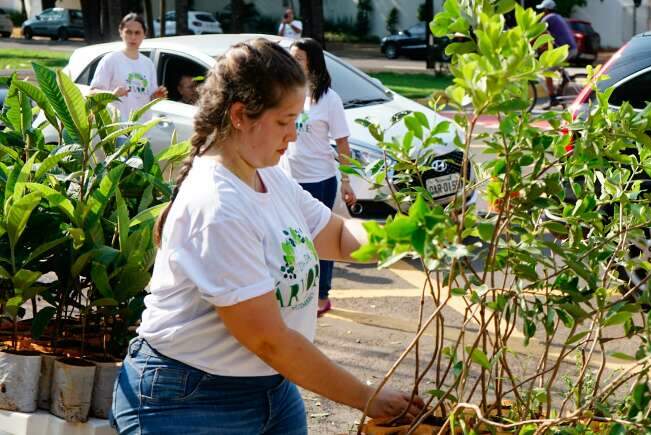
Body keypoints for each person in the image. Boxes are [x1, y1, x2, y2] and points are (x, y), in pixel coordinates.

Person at [110, 38, 423, 434]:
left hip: (272, 387)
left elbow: (340, 236)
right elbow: (270, 339)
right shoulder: (218, 205)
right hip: (188, 399)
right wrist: (367, 397)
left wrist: (423, 236)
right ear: (240, 115)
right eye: (284, 121)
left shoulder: (268, 175)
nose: (293, 136)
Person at [281, 38, 356, 316]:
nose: (293, 63)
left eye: (298, 58)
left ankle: (323, 294)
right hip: (290, 178)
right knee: (295, 240)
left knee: (321, 238)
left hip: (320, 179)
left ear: (312, 61)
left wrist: (347, 181)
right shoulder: (289, 94)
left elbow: (343, 144)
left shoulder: (329, 99)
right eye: (291, 58)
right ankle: (302, 291)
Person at [90, 13, 167, 121]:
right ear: (121, 32)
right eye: (128, 32)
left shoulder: (148, 64)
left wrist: (157, 96)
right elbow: (92, 93)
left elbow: (149, 98)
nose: (133, 37)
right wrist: (112, 94)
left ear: (144, 34)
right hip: (118, 131)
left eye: (137, 33)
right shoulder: (111, 59)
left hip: (141, 131)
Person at [536, 0, 577, 109]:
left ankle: (552, 98)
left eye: (542, 10)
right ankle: (563, 83)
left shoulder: (548, 19)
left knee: (547, 71)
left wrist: (533, 46)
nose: (542, 12)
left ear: (546, 10)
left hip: (566, 51)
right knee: (555, 66)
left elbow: (538, 33)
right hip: (572, 49)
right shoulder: (558, 17)